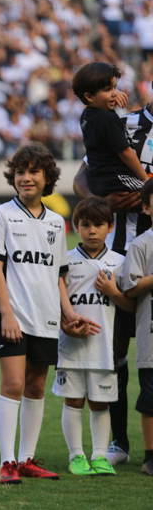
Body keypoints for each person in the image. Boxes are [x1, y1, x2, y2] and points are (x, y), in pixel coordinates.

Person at [0, 142, 98, 484]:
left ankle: (27, 459)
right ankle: (7, 463)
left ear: (47, 177)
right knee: (13, 383)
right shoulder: (1, 215)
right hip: (12, 314)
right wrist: (6, 314)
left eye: (34, 171)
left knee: (35, 386)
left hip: (46, 317)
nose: (26, 178)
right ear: (12, 177)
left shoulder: (56, 222)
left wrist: (68, 314)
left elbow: (58, 275)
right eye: (20, 171)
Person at [71, 80, 153, 465]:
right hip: (118, 258)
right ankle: (119, 442)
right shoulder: (125, 124)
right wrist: (100, 202)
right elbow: (79, 179)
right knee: (115, 352)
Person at [55, 197, 134, 476]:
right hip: (71, 346)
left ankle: (99, 456)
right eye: (85, 225)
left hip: (105, 348)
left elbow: (130, 306)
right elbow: (55, 300)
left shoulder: (119, 262)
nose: (91, 231)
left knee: (100, 402)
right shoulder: (65, 260)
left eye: (99, 225)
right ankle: (76, 456)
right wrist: (65, 324)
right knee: (73, 400)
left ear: (110, 227)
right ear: (76, 226)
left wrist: (113, 292)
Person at [72, 62, 148, 196]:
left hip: (98, 181)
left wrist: (110, 94)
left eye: (115, 87)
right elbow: (125, 152)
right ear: (89, 96)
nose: (115, 93)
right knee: (150, 193)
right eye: (108, 89)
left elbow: (101, 102)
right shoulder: (107, 119)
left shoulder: (87, 115)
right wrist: (145, 178)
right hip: (116, 179)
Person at [120, 178, 153, 477]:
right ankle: (150, 456)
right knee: (150, 400)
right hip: (150, 337)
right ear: (147, 207)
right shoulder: (141, 244)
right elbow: (130, 287)